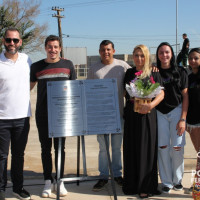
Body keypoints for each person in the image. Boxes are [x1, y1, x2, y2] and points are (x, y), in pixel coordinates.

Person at [30, 35, 76, 197]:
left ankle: (60, 181)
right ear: (45, 48)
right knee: (45, 149)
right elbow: (26, 89)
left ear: (60, 48)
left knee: (60, 149)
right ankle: (48, 182)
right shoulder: (36, 67)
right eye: (50, 47)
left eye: (55, 47)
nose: (53, 50)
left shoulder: (68, 65)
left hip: (62, 116)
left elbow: (74, 90)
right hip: (43, 115)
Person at [87, 40, 131, 191]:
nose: (105, 52)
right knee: (103, 149)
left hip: (118, 115)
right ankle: (103, 176)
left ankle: (118, 174)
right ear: (99, 51)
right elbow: (89, 91)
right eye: (102, 50)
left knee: (117, 147)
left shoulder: (122, 66)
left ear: (113, 50)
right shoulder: (94, 69)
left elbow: (137, 77)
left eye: (108, 49)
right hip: (101, 117)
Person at [122, 44, 164, 198]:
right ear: (133, 56)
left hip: (148, 116)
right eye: (136, 55)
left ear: (147, 57)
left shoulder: (153, 72)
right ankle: (132, 184)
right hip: (132, 116)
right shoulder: (129, 72)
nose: (139, 58)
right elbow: (124, 93)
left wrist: (150, 105)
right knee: (131, 149)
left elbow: (161, 94)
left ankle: (145, 186)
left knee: (146, 151)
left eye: (142, 55)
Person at [0, 27, 32, 200]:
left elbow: (35, 78)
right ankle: (1, 189)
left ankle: (18, 188)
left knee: (18, 156)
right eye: (8, 40)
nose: (11, 43)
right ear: (3, 41)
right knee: (1, 157)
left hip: (22, 118)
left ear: (20, 42)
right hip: (2, 118)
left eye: (15, 40)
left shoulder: (27, 60)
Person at [156, 42, 188, 193]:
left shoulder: (180, 71)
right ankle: (167, 182)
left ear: (172, 54)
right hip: (159, 113)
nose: (164, 55)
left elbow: (185, 96)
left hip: (177, 111)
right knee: (163, 147)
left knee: (177, 147)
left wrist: (183, 118)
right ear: (157, 55)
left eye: (167, 52)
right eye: (161, 52)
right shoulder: (154, 72)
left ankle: (177, 180)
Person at [186, 48, 200, 193]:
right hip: (192, 122)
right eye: (190, 58)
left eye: (196, 58)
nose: (192, 61)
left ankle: (197, 185)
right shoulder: (188, 78)